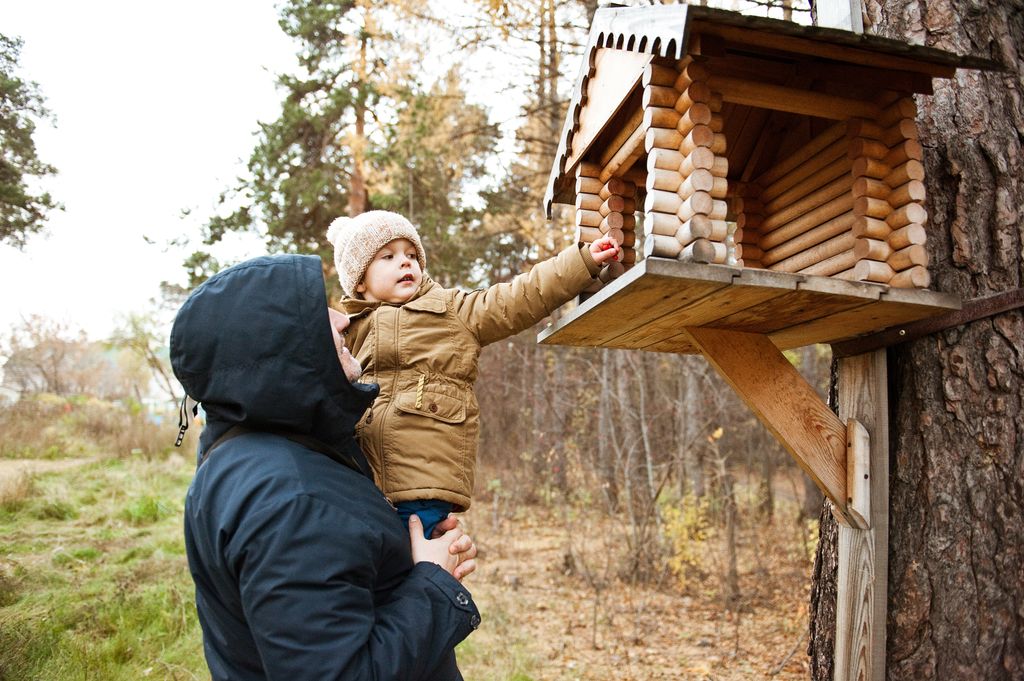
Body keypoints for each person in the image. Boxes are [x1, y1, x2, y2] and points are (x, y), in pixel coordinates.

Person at [171, 253, 481, 681]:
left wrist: (408, 559)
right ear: (278, 347)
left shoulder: (259, 454)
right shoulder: (293, 500)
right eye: (320, 314)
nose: (343, 321)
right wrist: (433, 581)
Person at [327, 210, 622, 537]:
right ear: (359, 281)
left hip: (421, 486)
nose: (405, 262)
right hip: (363, 484)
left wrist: (581, 263)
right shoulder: (346, 335)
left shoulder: (451, 310)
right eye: (388, 256)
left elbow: (518, 298)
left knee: (406, 564)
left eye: (411, 255)